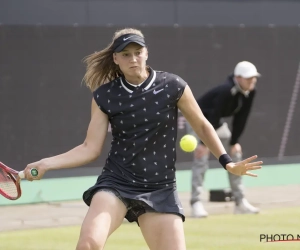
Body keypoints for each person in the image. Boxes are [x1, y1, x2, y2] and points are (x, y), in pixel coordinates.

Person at [23, 29, 262, 250]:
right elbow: (89, 148)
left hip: (160, 187)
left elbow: (202, 125)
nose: (133, 59)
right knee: (87, 245)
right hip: (116, 183)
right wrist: (46, 163)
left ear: (147, 53)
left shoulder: (173, 86)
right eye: (126, 54)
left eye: (138, 53)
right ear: (116, 59)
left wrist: (227, 162)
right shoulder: (105, 96)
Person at [186, 61, 261, 218]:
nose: (252, 81)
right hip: (196, 120)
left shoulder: (250, 92)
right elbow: (213, 114)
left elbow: (242, 118)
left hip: (215, 123)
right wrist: (202, 143)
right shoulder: (226, 91)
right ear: (238, 78)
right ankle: (196, 203)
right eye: (248, 78)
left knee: (236, 156)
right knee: (202, 157)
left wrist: (234, 142)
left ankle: (240, 202)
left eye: (254, 78)